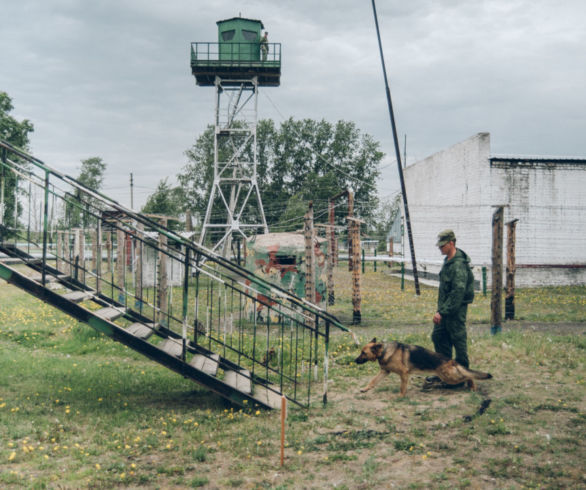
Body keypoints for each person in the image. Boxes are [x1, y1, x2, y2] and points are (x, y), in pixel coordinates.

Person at [427, 229, 475, 386]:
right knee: (439, 337)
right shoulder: (449, 260)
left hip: (455, 311)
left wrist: (442, 312)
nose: (440, 248)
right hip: (446, 309)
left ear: (451, 243)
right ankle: (444, 373)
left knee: (458, 341)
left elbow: (457, 293)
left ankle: (461, 377)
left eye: (442, 245)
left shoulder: (459, 265)